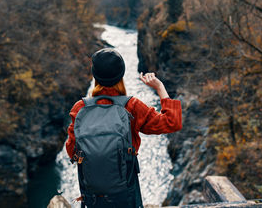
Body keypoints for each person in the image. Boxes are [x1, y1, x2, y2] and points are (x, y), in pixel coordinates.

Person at [66, 48, 182, 208]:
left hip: (92, 194)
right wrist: (160, 88)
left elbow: (72, 151)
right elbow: (172, 122)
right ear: (121, 75)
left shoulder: (79, 108)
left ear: (94, 75)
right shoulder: (131, 107)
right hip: (125, 191)